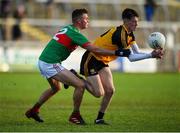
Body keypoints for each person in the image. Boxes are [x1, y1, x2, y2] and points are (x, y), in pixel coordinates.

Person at [25, 8, 133, 125]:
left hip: (44, 60)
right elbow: (94, 49)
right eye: (86, 18)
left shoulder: (69, 28)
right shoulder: (75, 34)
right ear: (79, 21)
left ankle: (33, 110)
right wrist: (117, 53)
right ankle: (75, 115)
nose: (88, 21)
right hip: (50, 63)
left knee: (56, 88)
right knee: (80, 85)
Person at [77, 8, 163, 125]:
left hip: (103, 61)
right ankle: (76, 78)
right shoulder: (120, 35)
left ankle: (99, 119)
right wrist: (150, 55)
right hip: (91, 59)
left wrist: (152, 54)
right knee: (98, 93)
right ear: (126, 21)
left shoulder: (129, 34)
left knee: (110, 90)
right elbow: (131, 58)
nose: (136, 24)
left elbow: (136, 52)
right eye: (134, 21)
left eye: (137, 21)